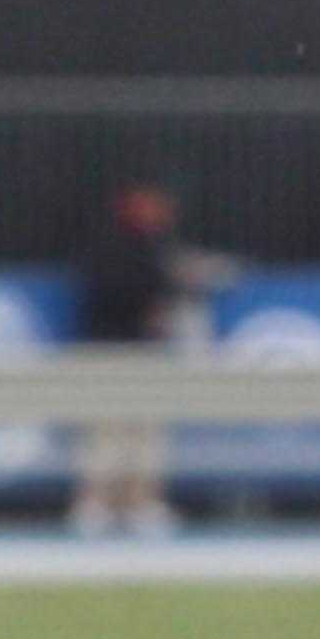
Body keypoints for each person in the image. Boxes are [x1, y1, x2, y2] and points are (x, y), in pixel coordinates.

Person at [68, 183, 232, 538]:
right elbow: (113, 294)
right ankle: (96, 503)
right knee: (106, 430)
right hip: (109, 352)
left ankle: (140, 503)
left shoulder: (161, 249)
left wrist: (185, 280)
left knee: (147, 432)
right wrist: (153, 301)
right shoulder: (107, 248)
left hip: (149, 353)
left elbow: (171, 289)